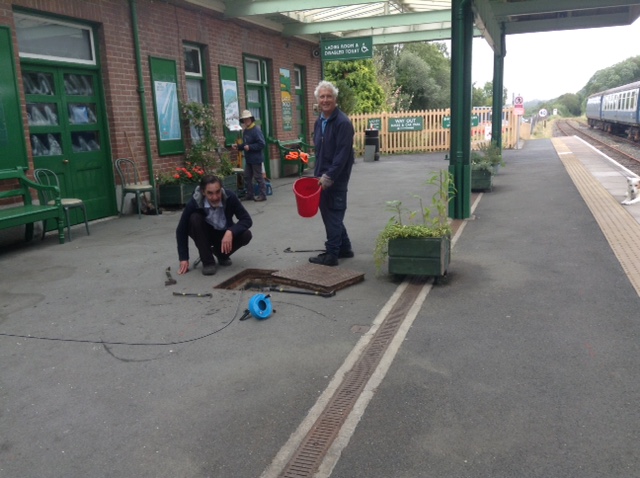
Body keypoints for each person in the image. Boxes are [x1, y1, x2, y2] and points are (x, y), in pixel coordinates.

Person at [308, 80, 355, 267]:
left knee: (333, 213)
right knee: (330, 213)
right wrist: (317, 174)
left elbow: (342, 155)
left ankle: (332, 254)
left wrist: (329, 177)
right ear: (318, 100)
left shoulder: (343, 123)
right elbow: (320, 151)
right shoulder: (319, 122)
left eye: (329, 96)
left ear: (335, 99)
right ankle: (345, 248)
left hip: (335, 178)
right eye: (322, 97)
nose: (325, 100)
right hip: (321, 176)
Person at [176, 175, 253, 276]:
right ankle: (208, 262)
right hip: (204, 235)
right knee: (194, 218)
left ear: (221, 189)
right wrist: (183, 258)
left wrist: (231, 231)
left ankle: (221, 254)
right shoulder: (194, 202)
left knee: (246, 234)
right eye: (210, 193)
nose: (215, 197)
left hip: (223, 234)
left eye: (218, 192)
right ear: (203, 192)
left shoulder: (230, 197)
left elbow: (246, 219)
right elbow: (181, 230)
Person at [233, 109, 267, 202]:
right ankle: (250, 194)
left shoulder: (256, 130)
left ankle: (263, 195)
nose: (246, 121)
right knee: (247, 176)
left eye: (247, 119)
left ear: (251, 119)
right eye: (244, 120)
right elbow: (245, 144)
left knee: (258, 177)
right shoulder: (246, 131)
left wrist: (250, 147)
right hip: (249, 158)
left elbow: (262, 144)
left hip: (256, 158)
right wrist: (239, 147)